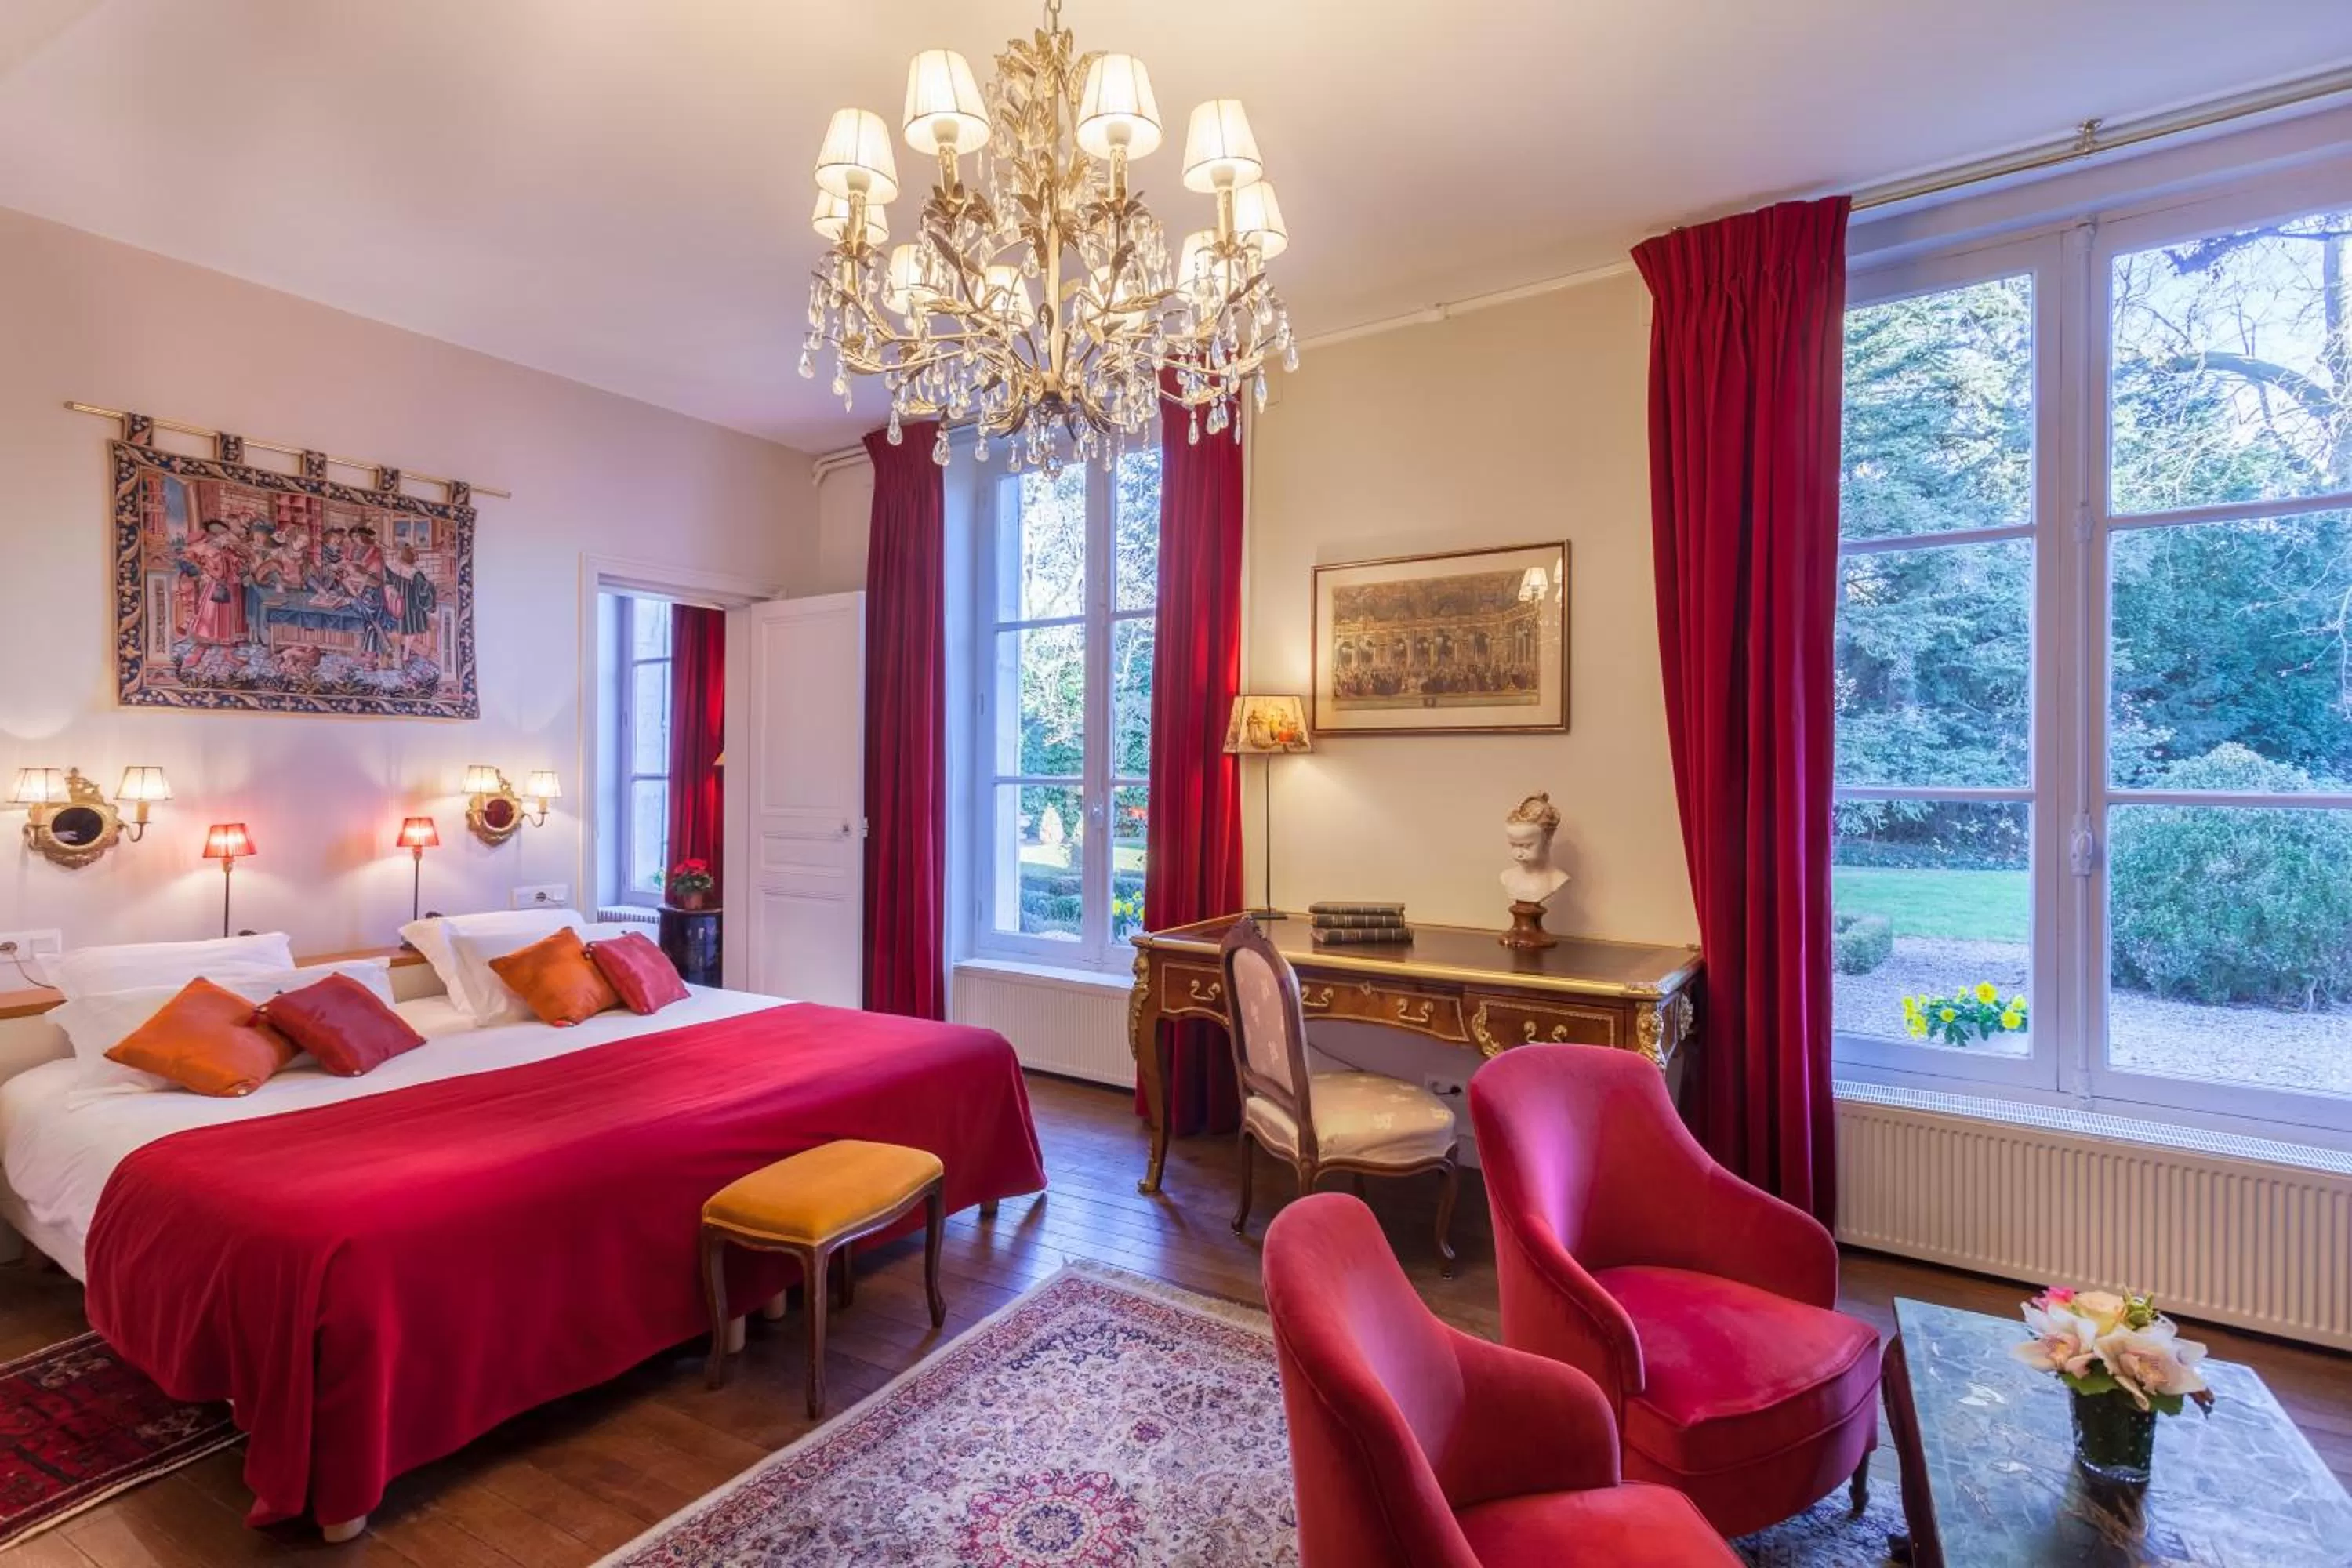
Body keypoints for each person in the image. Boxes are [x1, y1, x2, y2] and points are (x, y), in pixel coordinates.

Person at [184, 519, 251, 647]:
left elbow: (238, 560)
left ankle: (232, 636)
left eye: (223, 533)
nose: (222, 536)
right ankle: (215, 635)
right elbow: (213, 567)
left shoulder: (226, 548)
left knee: (231, 608)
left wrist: (236, 563)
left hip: (231, 581)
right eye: (218, 533)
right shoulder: (211, 550)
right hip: (220, 582)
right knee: (214, 609)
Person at [1499, 792, 1571, 907]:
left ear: (1548, 839)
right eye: (1513, 845)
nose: (1519, 854)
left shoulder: (1556, 880)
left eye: (1527, 846)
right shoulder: (1507, 877)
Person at [384, 544, 437, 663]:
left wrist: (391, 590)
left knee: (395, 630)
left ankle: (395, 655)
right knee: (410, 632)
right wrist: (431, 587)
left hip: (396, 604)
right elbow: (423, 590)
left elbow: (386, 582)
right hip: (412, 607)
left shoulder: (391, 569)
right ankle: (405, 655)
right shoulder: (415, 573)